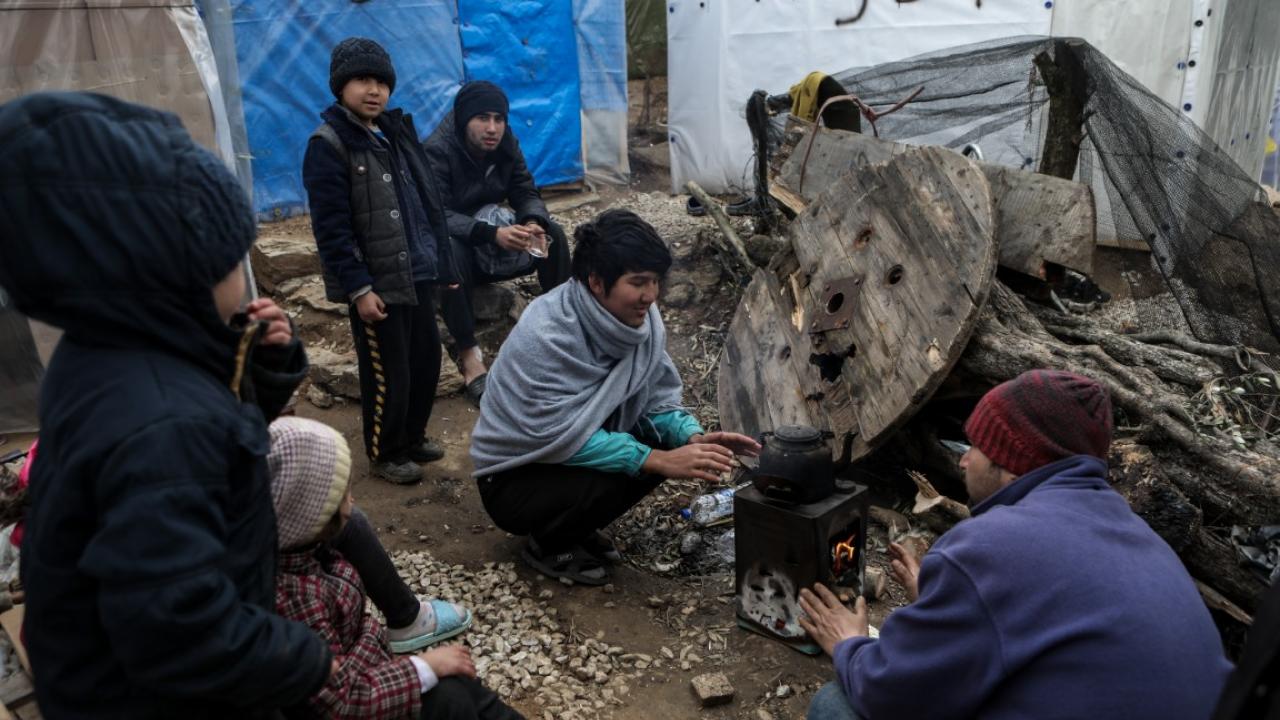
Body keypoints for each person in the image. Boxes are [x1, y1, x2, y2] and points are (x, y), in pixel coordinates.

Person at [0, 91, 332, 718]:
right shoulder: (160, 424)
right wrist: (304, 657)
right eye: (231, 259)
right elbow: (180, 629)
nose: (243, 277)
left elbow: (216, 443)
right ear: (172, 276)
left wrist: (258, 363)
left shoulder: (105, 354)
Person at [798, 370, 1233, 720]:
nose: (964, 459)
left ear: (1012, 463)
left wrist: (849, 644)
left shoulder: (989, 546)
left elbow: (889, 695)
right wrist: (949, 604)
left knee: (834, 707)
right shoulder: (1140, 537)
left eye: (977, 446)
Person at [470, 209, 759, 584]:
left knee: (661, 453)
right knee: (650, 460)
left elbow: (653, 399)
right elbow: (555, 434)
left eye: (655, 281)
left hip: (566, 454)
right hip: (514, 478)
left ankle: (573, 527)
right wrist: (655, 458)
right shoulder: (547, 335)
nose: (650, 296)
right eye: (638, 282)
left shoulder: (640, 323)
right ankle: (549, 542)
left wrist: (692, 438)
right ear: (596, 281)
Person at [267, 416, 522, 720]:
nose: (353, 499)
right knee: (454, 698)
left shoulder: (305, 550)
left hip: (366, 664)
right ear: (313, 516)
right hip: (358, 690)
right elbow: (341, 704)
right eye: (343, 495)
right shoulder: (296, 598)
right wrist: (421, 669)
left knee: (465, 690)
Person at [303, 37, 457, 485]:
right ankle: (385, 451)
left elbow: (425, 203)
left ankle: (410, 436)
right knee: (388, 370)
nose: (374, 90)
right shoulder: (329, 143)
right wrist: (359, 287)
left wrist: (440, 263)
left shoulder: (392, 133)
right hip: (376, 282)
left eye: (381, 82)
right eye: (362, 80)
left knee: (426, 360)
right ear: (340, 86)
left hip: (416, 271)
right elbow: (332, 228)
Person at [423, 80, 572, 405]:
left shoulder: (506, 143)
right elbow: (436, 214)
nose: (492, 128)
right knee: (449, 248)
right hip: (462, 250)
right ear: (464, 119)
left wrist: (532, 222)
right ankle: (470, 356)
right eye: (483, 119)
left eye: (499, 119)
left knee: (554, 235)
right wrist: (492, 234)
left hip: (495, 237)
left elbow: (524, 189)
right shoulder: (437, 150)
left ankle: (565, 327)